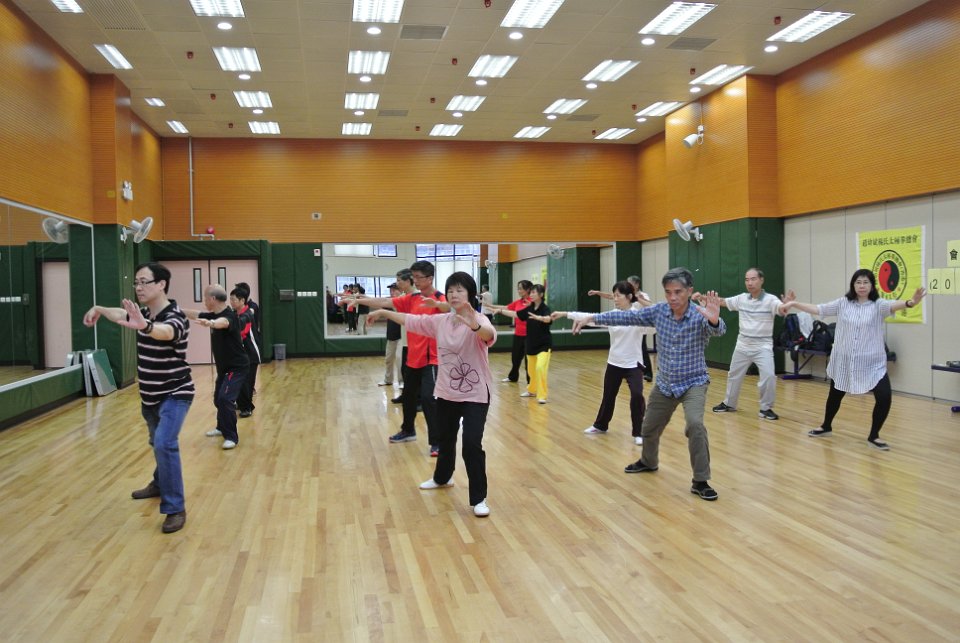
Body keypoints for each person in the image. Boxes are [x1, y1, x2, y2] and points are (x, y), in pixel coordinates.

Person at [572, 267, 726, 501]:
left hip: (693, 383)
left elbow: (718, 330)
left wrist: (714, 320)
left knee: (695, 425)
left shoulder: (699, 315)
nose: (673, 297)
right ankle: (648, 461)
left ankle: (700, 480)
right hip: (665, 383)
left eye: (678, 292)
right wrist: (592, 318)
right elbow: (626, 317)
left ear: (689, 291)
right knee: (648, 427)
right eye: (668, 292)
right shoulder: (659, 311)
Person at [367, 272, 497, 517]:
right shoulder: (441, 321)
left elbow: (488, 334)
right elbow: (411, 320)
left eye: (459, 290)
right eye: (451, 290)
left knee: (471, 444)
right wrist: (383, 312)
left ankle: (479, 498)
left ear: (470, 294)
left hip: (476, 394)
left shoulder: (479, 319)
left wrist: (474, 324)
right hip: (447, 392)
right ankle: (442, 478)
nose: (454, 294)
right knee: (445, 439)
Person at [82, 262, 193, 533]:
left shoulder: (176, 316)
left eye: (144, 282)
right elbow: (121, 313)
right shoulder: (141, 313)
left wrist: (146, 327)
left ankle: (175, 508)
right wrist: (99, 308)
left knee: (165, 443)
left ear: (161, 284)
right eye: (136, 282)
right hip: (150, 395)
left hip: (176, 393)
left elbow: (166, 332)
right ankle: (159, 483)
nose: (138, 287)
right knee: (157, 443)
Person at [782, 269, 925, 450]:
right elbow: (819, 309)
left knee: (884, 397)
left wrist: (911, 302)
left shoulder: (878, 305)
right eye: (858, 282)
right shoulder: (843, 303)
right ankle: (826, 426)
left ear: (872, 285)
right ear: (853, 285)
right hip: (844, 360)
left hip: (873, 363)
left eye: (865, 282)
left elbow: (893, 305)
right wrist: (794, 303)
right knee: (835, 395)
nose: (862, 286)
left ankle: (874, 436)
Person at [353, 260, 445, 455]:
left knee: (428, 398)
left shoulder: (439, 298)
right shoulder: (413, 298)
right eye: (413, 277)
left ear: (429, 278)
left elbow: (449, 309)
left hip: (432, 359)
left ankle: (437, 442)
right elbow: (385, 302)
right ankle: (408, 430)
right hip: (413, 357)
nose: (415, 281)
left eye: (418, 277)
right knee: (408, 397)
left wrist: (438, 304)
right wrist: (359, 300)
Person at [553, 280, 647, 445]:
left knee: (637, 395)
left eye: (618, 296)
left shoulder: (638, 315)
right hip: (614, 363)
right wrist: (565, 313)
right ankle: (601, 425)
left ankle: (639, 432)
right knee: (608, 396)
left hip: (633, 364)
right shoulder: (612, 315)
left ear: (628, 297)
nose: (615, 299)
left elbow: (653, 322)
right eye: (614, 295)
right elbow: (590, 317)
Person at [703, 268, 792, 420]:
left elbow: (781, 309)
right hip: (743, 345)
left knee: (769, 376)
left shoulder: (771, 300)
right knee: (734, 375)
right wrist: (704, 298)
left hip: (762, 347)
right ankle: (729, 403)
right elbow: (723, 301)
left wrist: (787, 305)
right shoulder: (742, 299)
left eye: (753, 279)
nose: (749, 283)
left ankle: (766, 409)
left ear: (761, 280)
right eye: (747, 280)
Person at [184, 285, 249, 450]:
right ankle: (221, 427)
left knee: (225, 399)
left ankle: (231, 437)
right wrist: (174, 310)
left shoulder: (229, 315)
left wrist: (212, 323)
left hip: (237, 367)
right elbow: (196, 314)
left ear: (213, 299)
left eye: (205, 298)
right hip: (224, 369)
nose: (204, 301)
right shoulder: (213, 314)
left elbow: (224, 323)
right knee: (218, 399)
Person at [493, 284, 552, 404]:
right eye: (531, 292)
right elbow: (516, 314)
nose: (531, 295)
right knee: (531, 371)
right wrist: (500, 311)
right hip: (531, 344)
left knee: (540, 368)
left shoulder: (545, 308)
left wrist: (540, 318)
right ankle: (532, 390)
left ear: (541, 295)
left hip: (544, 345)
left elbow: (548, 319)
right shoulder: (529, 309)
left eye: (534, 292)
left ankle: (542, 395)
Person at [589, 275, 655, 381]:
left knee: (642, 350)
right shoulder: (623, 295)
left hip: (638, 327)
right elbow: (610, 296)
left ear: (637, 285)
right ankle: (628, 372)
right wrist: (598, 293)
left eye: (630, 283)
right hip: (625, 326)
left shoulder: (642, 295)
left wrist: (637, 298)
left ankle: (647, 373)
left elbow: (651, 306)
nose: (627, 284)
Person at [230, 286, 261, 418]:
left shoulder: (247, 314)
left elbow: (241, 331)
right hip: (241, 355)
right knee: (240, 380)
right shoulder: (234, 314)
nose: (231, 302)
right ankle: (242, 404)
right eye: (230, 299)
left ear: (242, 300)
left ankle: (247, 407)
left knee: (247, 382)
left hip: (251, 353)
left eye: (233, 300)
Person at [495, 280, 533, 385]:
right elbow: (506, 307)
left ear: (528, 290)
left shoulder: (532, 303)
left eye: (520, 288)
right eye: (518, 288)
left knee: (528, 360)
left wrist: (499, 310)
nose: (518, 291)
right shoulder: (518, 302)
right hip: (518, 335)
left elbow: (516, 314)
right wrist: (489, 305)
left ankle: (531, 382)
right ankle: (513, 377)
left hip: (529, 335)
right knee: (515, 358)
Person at [378, 282, 403, 387]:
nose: (392, 292)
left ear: (400, 291)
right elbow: (377, 303)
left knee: (399, 359)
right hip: (391, 335)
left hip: (401, 336)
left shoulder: (404, 303)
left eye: (394, 290)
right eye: (390, 290)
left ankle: (402, 381)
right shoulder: (388, 304)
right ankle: (388, 380)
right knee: (388, 359)